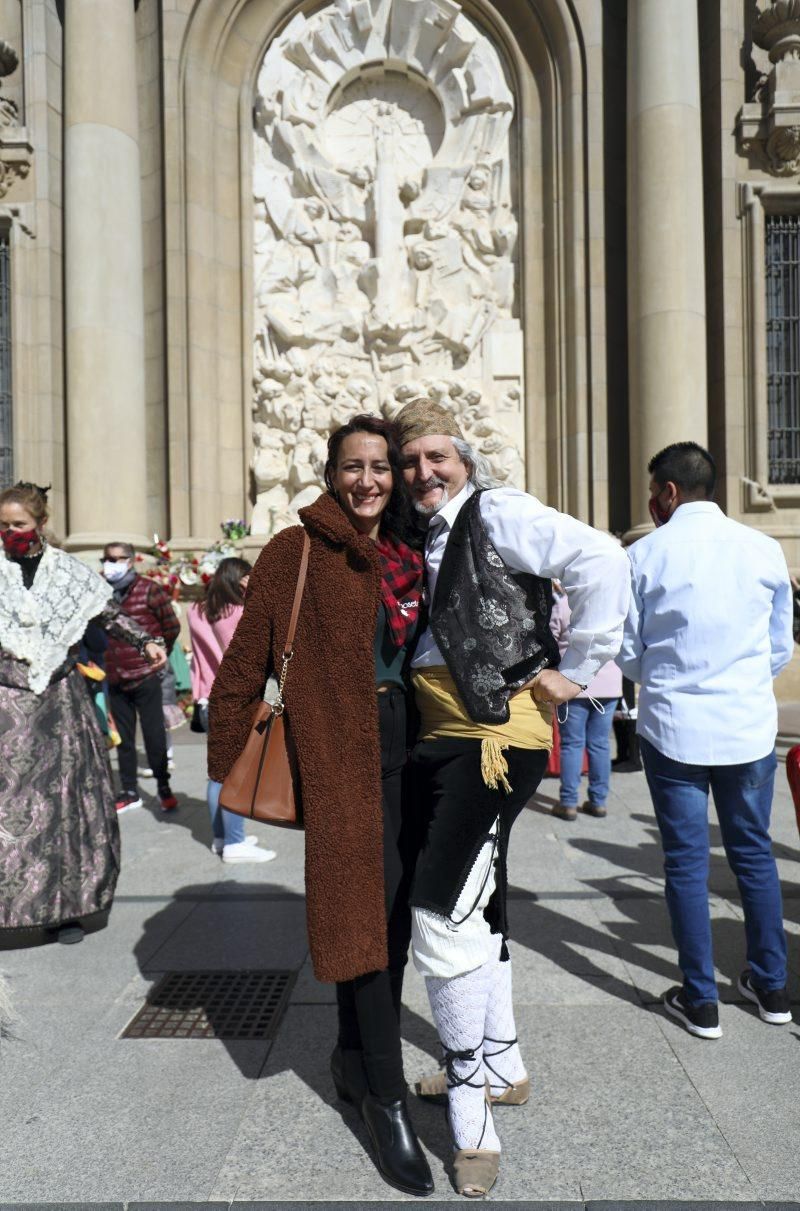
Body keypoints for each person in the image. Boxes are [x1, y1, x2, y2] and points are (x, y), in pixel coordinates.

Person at [397, 400, 629, 1197]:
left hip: (494, 732)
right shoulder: (421, 532)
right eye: (411, 461)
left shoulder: (496, 510)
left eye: (436, 456)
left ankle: (472, 1112)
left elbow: (601, 557)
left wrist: (583, 665)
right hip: (446, 731)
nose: (423, 472)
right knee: (479, 894)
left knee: (439, 905)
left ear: (465, 458)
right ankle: (502, 1062)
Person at [208, 415, 433, 1197]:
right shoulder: (294, 549)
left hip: (411, 749)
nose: (367, 480)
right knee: (360, 918)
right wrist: (228, 769)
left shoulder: (410, 549)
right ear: (331, 471)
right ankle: (386, 1094)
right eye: (352, 466)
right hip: (338, 753)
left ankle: (346, 1054)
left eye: (380, 466)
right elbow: (243, 664)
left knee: (389, 915)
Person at [618, 441, 794, 1039]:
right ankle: (771, 987)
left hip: (675, 727)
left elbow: (628, 650)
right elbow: (779, 643)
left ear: (667, 493)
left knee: (687, 865)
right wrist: (739, 680)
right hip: (745, 724)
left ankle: (701, 1000)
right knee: (754, 856)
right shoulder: (764, 548)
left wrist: (667, 677)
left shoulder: (645, 555)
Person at [0, 482, 167, 947]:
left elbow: (108, 615)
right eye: (3, 525)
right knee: (7, 809)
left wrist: (146, 641)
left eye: (18, 524)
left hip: (61, 708)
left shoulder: (67, 574)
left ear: (39, 524)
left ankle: (68, 910)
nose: (9, 532)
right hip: (6, 710)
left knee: (66, 808)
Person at [188, 556, 276, 864]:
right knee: (233, 774)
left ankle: (222, 838)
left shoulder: (196, 611)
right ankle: (236, 843)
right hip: (234, 699)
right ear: (238, 579)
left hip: (206, 699)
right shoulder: (240, 613)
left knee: (217, 772)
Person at [102, 541, 181, 813]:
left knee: (153, 733)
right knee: (122, 738)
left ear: (131, 561)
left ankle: (163, 786)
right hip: (113, 674)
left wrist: (158, 652)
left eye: (120, 558)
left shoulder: (149, 589)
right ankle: (128, 789)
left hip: (145, 673)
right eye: (109, 559)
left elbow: (171, 625)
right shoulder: (99, 592)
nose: (113, 564)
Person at [549, 582, 622, 819]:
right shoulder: (613, 606)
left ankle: (569, 802)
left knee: (572, 744)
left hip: (573, 682)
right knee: (600, 744)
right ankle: (598, 800)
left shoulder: (564, 605)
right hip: (609, 682)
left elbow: (550, 638)